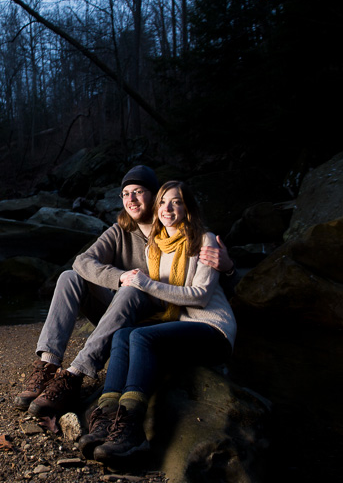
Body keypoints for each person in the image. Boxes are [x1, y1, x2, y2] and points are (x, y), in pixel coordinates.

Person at [14, 168, 236, 418]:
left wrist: (228, 268)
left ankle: (75, 375)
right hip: (118, 311)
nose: (131, 200)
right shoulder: (119, 231)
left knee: (131, 292)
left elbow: (205, 285)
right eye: (125, 194)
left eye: (139, 192)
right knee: (69, 277)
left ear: (155, 196)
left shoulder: (176, 229)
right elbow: (81, 261)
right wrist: (119, 277)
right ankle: (48, 364)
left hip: (157, 317)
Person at [78, 180, 237, 466]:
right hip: (177, 325)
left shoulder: (204, 240)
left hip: (212, 329)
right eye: (163, 201)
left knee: (142, 337)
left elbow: (200, 297)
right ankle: (106, 420)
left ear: (188, 208)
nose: (167, 208)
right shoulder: (157, 246)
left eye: (176, 201)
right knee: (123, 335)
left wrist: (147, 284)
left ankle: (133, 431)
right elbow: (155, 295)